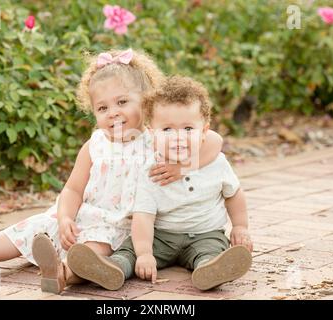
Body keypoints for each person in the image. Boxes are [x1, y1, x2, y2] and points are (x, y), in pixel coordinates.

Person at [0, 50, 224, 294]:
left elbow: (214, 141)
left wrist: (181, 165)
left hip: (119, 227)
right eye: (102, 108)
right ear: (93, 112)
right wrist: (65, 217)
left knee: (92, 253)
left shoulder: (155, 139)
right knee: (21, 233)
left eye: (122, 102)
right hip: (78, 218)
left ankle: (62, 273)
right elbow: (73, 189)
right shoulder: (94, 144)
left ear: (146, 103)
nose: (113, 112)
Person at [67, 76, 253, 291]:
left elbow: (234, 194)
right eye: (167, 130)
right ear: (152, 133)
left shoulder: (216, 163)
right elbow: (143, 217)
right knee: (130, 251)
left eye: (188, 129)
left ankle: (210, 270)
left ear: (204, 132)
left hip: (205, 233)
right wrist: (145, 254)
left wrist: (240, 227)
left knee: (211, 251)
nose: (178, 137)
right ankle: (112, 268)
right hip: (161, 236)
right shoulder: (151, 169)